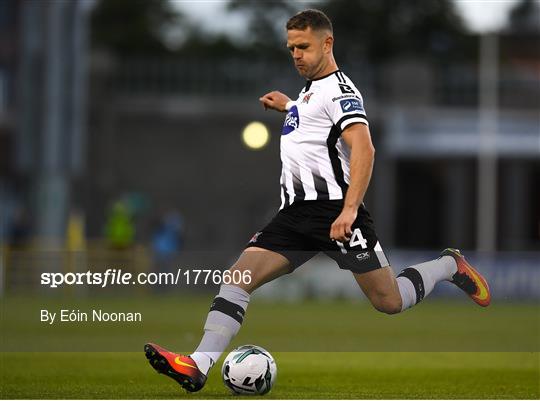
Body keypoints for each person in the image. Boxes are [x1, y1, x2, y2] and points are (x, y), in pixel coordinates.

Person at [144, 9, 491, 393]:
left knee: (388, 301)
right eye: (291, 48)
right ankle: (197, 364)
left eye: (304, 47)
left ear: (328, 43)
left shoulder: (342, 91)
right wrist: (290, 106)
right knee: (237, 279)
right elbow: (315, 124)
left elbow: (364, 148)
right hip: (294, 216)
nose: (295, 55)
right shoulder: (309, 93)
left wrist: (348, 209)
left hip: (335, 212)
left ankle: (448, 264)